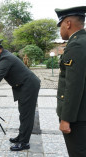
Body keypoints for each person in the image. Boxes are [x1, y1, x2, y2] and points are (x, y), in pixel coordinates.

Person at [0, 39, 40, 151]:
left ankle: (24, 142)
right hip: (23, 86)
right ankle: (21, 136)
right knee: (23, 113)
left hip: (28, 86)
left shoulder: (6, 59)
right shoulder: (2, 58)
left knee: (26, 114)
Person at [55, 6, 86, 156]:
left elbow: (73, 85)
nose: (60, 30)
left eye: (60, 26)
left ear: (67, 23)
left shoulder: (77, 44)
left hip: (78, 117)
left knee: (78, 152)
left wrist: (66, 119)